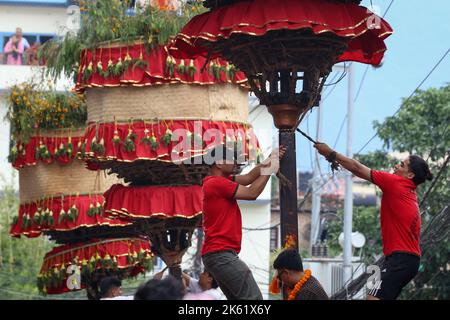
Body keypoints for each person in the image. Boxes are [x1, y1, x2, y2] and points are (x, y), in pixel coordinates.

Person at [314, 142, 433, 300]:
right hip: (397, 260)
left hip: (400, 260)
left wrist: (331, 153)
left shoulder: (395, 183)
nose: (397, 165)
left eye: (402, 165)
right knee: (371, 294)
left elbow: (357, 168)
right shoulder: (409, 193)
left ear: (410, 175)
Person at [201, 144, 286, 300]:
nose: (234, 161)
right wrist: (270, 169)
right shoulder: (217, 183)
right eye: (230, 158)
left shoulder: (218, 181)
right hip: (221, 253)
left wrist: (271, 159)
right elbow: (252, 192)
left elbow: (249, 178)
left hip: (217, 254)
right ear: (219, 163)